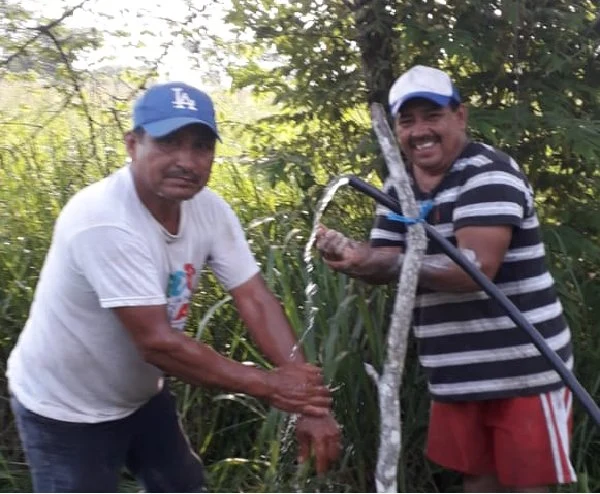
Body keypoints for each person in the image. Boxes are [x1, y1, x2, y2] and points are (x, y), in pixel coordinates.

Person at [6, 81, 340, 493]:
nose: (187, 160)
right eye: (168, 142)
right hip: (65, 408)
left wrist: (305, 398)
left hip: (141, 395)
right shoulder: (104, 219)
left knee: (182, 485)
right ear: (132, 144)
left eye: (201, 146)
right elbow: (157, 343)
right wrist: (273, 387)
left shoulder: (209, 210)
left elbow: (254, 298)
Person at [315, 65, 575, 492]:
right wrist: (351, 255)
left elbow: (476, 269)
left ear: (461, 116)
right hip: (455, 375)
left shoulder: (488, 172)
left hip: (525, 371)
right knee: (476, 483)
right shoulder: (396, 188)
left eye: (432, 116)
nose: (420, 131)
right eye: (408, 120)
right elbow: (384, 260)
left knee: (530, 488)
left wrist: (379, 261)